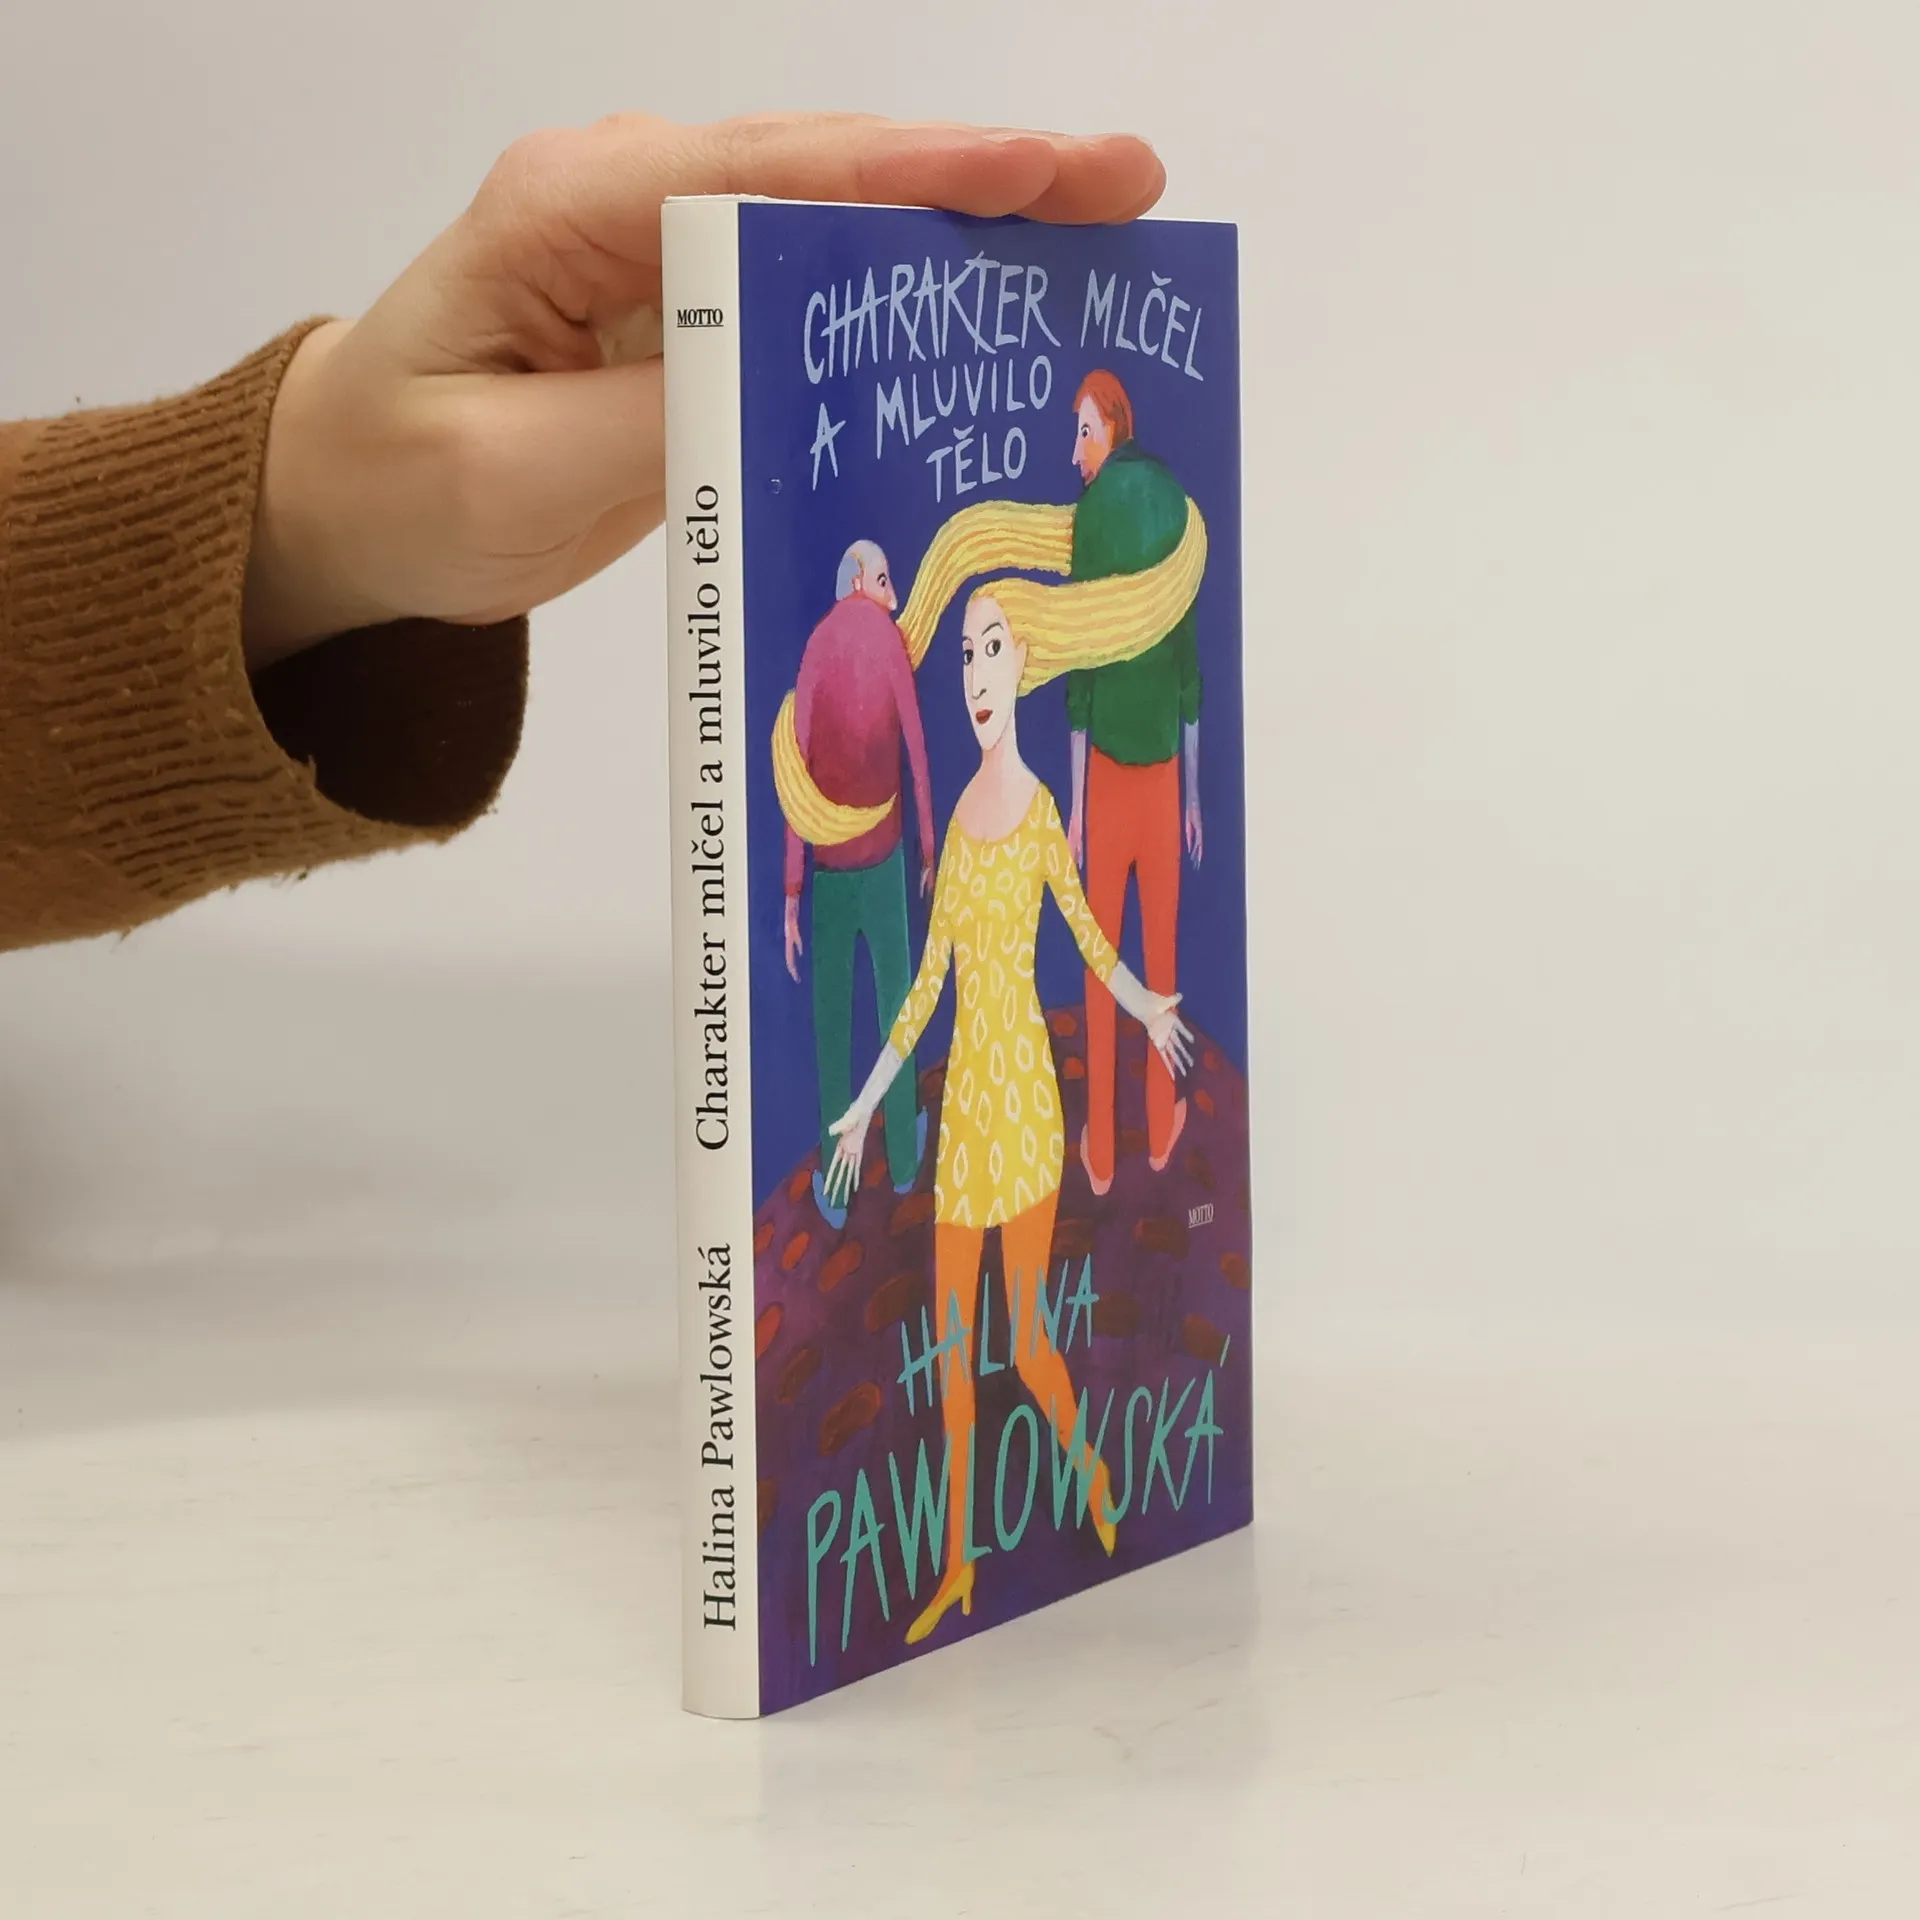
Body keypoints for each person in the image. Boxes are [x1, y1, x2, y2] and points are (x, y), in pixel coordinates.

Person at [0, 113, 1166, 955]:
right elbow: (859, 747)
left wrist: (300, 515)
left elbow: (876, 746)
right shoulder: (859, 651)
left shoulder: (899, 645)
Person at [821, 492, 1205, 1647]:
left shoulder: (1038, 814)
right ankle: (957, 1570)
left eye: (992, 650)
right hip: (966, 1129)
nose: (976, 675)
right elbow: (923, 994)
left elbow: (1085, 932)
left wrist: (1144, 1003)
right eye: (964, 658)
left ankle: (1089, 1469)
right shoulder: (955, 836)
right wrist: (862, 1109)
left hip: (1027, 1108)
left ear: (1026, 663)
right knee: (952, 1353)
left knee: (1030, 1341)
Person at [1061, 370, 1204, 1197]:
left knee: (1099, 961)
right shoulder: (1177, 505)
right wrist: (1193, 796)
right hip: (1163, 779)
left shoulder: (1090, 518)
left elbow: (1079, 668)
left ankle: (1102, 1154)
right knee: (1161, 960)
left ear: (1112, 425)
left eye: (1083, 430)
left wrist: (1076, 808)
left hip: (1108, 779)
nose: (1074, 451)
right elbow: (1189, 670)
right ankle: (1157, 1129)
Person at [781, 541, 934, 1226]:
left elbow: (797, 779)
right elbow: (917, 750)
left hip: (829, 874)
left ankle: (837, 1192)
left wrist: (792, 892)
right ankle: (902, 1161)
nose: (893, 592)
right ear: (863, 581)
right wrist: (928, 845)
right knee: (899, 1012)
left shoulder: (815, 648)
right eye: (885, 579)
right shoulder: (889, 641)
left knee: (833, 1029)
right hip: (886, 861)